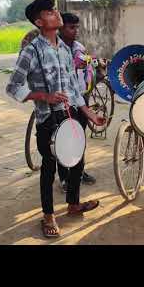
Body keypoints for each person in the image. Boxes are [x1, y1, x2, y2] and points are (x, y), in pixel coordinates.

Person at [6, 0, 105, 238]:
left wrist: (89, 112)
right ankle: (48, 215)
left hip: (71, 116)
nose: (56, 13)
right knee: (49, 167)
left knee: (77, 160)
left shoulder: (64, 49)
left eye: (55, 9)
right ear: (39, 21)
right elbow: (13, 86)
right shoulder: (31, 51)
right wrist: (43, 96)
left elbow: (73, 86)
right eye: (50, 12)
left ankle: (73, 204)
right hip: (47, 119)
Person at [59, 12, 97, 187]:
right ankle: (64, 177)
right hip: (63, 99)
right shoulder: (56, 48)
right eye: (71, 27)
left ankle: (79, 171)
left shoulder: (78, 46)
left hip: (80, 96)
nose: (75, 31)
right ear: (61, 27)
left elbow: (86, 62)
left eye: (76, 27)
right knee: (63, 137)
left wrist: (89, 62)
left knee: (79, 135)